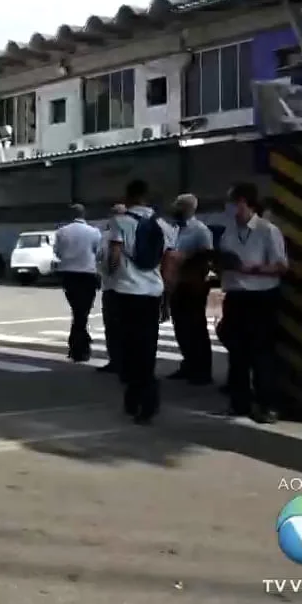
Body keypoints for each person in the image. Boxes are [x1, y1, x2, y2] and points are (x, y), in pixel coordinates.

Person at [217, 182, 288, 424]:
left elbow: (281, 266)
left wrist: (252, 269)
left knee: (262, 355)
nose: (227, 208)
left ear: (243, 202)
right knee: (237, 355)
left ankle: (267, 405)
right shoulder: (228, 231)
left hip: (261, 299)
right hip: (236, 298)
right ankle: (239, 403)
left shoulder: (268, 231)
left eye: (231, 202)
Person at [106, 180, 177, 424]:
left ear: (129, 197)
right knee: (147, 347)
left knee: (126, 347)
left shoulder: (120, 222)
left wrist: (110, 273)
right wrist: (166, 298)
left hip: (125, 292)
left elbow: (114, 256)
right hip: (152, 294)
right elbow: (168, 265)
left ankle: (135, 396)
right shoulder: (165, 226)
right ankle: (146, 400)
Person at [168, 194, 215, 386]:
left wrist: (187, 259)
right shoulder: (176, 229)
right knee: (181, 327)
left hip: (194, 285)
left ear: (188, 208)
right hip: (177, 283)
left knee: (196, 327)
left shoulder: (200, 230)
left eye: (179, 205)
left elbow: (206, 257)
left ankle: (202, 370)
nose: (175, 208)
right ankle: (188, 363)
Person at [53, 203, 102, 362]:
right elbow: (98, 252)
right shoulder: (94, 232)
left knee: (77, 311)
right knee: (82, 313)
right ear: (84, 214)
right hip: (88, 274)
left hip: (69, 274)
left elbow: (58, 252)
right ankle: (80, 347)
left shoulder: (61, 232)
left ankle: (77, 346)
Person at [97, 203, 127, 375]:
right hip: (129, 287)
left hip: (112, 285)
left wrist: (106, 270)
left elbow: (102, 257)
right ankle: (121, 361)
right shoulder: (135, 230)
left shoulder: (107, 235)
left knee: (114, 326)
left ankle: (117, 361)